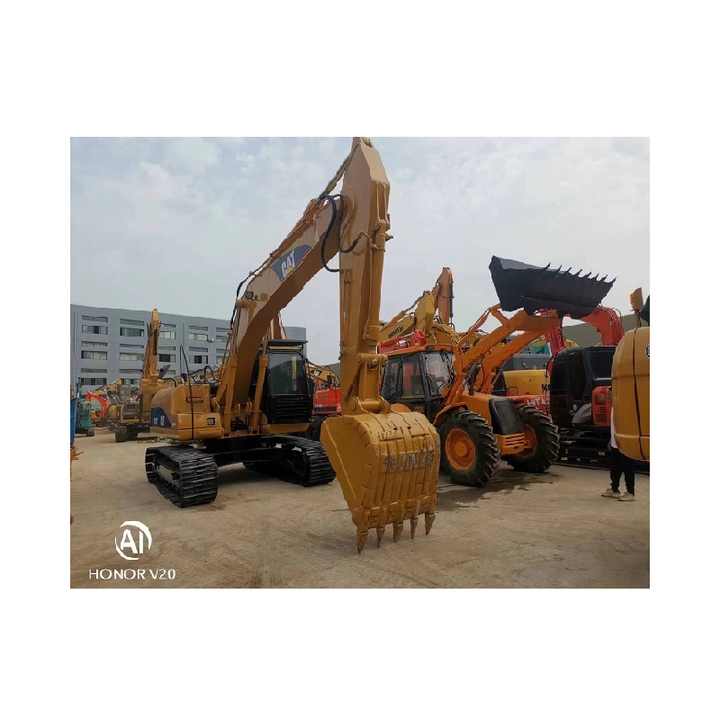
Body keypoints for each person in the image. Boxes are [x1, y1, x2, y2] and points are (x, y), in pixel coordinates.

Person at [602, 407, 636, 501]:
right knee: (615, 466)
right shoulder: (615, 405)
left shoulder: (626, 404)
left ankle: (630, 492)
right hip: (615, 440)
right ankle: (614, 489)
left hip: (626, 440)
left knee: (628, 466)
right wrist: (611, 439)